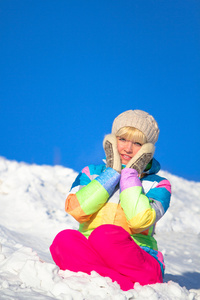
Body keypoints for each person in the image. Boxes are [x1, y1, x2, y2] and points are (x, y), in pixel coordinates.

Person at [50, 109, 171, 291]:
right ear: (113, 141)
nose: (127, 149)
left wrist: (130, 174)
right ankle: (122, 286)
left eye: (137, 143)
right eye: (122, 139)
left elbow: (139, 221)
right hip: (92, 255)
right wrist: (111, 174)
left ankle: (103, 280)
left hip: (140, 261)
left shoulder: (159, 184)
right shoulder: (91, 173)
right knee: (64, 240)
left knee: (105, 236)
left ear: (147, 150)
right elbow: (77, 209)